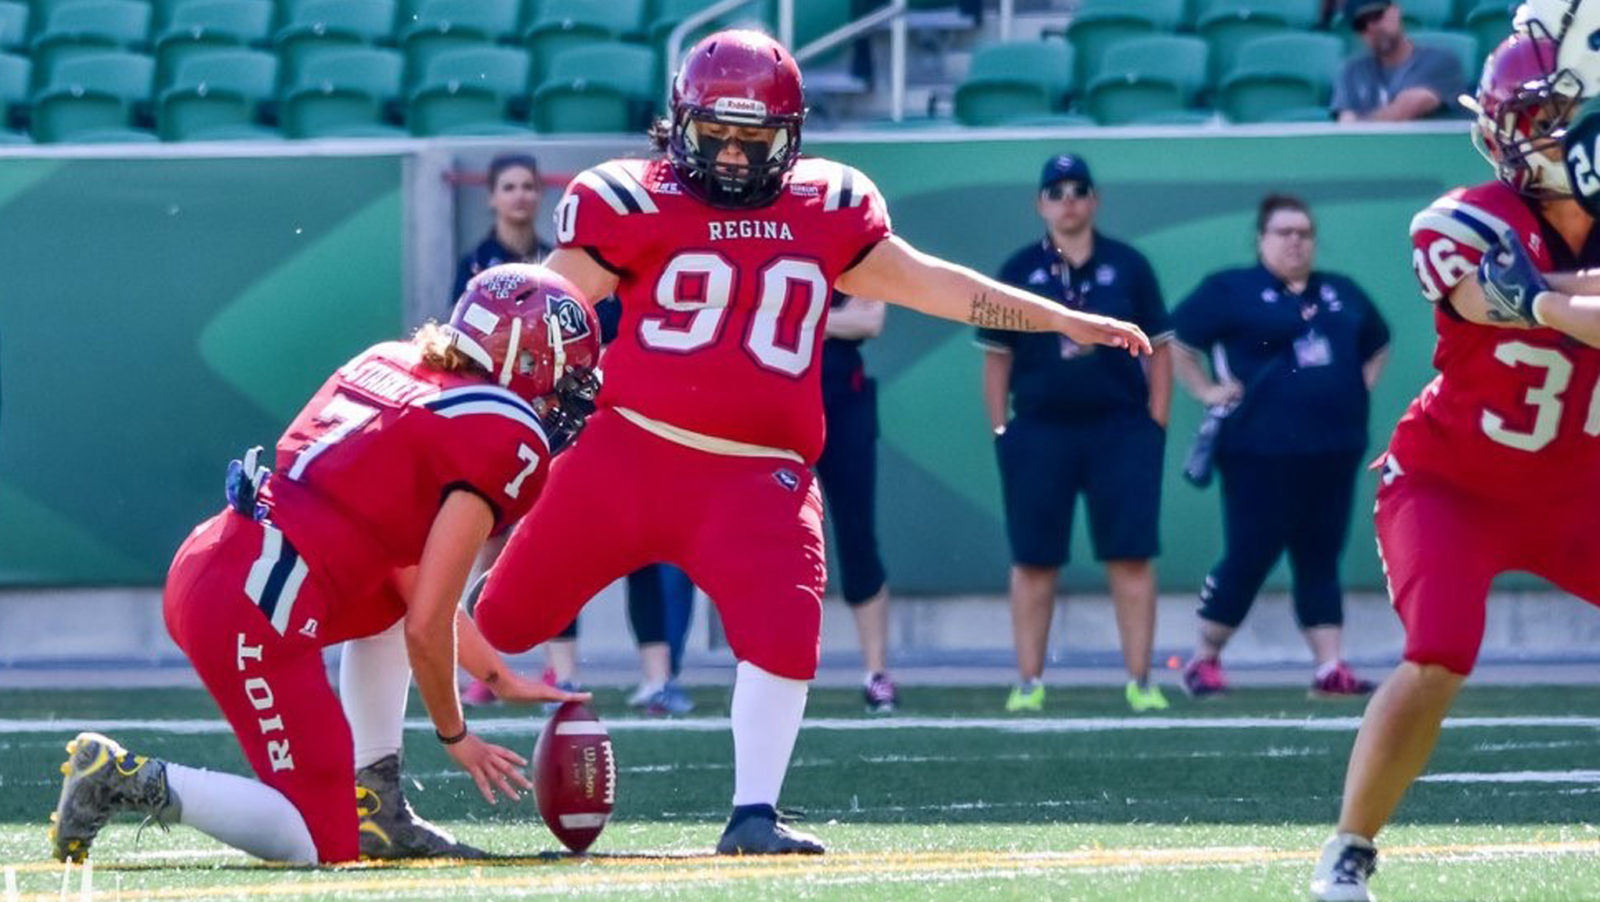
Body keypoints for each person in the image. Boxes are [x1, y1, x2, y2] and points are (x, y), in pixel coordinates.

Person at [472, 29, 1152, 856]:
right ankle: (383, 764)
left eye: (749, 138)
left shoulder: (827, 208)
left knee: (786, 636)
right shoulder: (632, 199)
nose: (727, 155)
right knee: (488, 625)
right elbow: (542, 306)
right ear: (679, 124)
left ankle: (753, 812)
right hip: (628, 453)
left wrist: (1059, 318)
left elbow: (939, 286)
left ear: (788, 138)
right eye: (712, 134)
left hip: (757, 477)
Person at [48, 264, 599, 866]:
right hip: (257, 606)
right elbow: (428, 624)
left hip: (230, 558)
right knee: (315, 844)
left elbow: (408, 587)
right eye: (563, 374)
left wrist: (495, 676)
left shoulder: (395, 359)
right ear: (523, 357)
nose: (563, 396)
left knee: (388, 601)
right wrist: (455, 734)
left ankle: (378, 806)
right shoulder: (505, 432)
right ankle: (124, 778)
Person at [1311, 32, 1600, 901]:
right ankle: (1349, 849)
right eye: (1553, 117)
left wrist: (1544, 298)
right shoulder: (1464, 218)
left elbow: (1547, 299)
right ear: (1512, 130)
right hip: (1453, 481)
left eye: (1574, 116)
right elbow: (1476, 291)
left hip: (1578, 490)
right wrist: (1553, 299)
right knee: (1440, 651)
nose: (1569, 133)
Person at [1171, 194, 1390, 700]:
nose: (1295, 241)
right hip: (1257, 451)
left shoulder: (1341, 291)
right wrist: (1206, 390)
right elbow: (1176, 342)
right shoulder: (1231, 289)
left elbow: (1377, 345)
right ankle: (1203, 659)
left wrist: (1352, 390)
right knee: (1250, 552)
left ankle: (1329, 666)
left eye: (1304, 233)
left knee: (1320, 555)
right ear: (1261, 239)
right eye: (1284, 232)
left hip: (1332, 451)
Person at [977, 153, 1173, 715]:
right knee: (1035, 560)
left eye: (1078, 190)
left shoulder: (1129, 266)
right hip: (1039, 430)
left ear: (1095, 199)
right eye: (1056, 191)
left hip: (1120, 428)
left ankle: (1140, 681)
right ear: (1040, 203)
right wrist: (1001, 429)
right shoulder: (1018, 270)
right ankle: (1029, 682)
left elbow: (1160, 347)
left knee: (1131, 556)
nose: (1068, 200)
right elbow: (996, 358)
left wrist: (1156, 422)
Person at [817, 291, 898, 714]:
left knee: (857, 534)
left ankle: (876, 672)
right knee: (763, 540)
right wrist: (833, 319)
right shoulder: (768, 233)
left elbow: (870, 320)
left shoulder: (850, 238)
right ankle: (760, 667)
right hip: (775, 396)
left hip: (843, 400)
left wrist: (804, 317)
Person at [1332, 0, 1467, 122]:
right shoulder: (1352, 71)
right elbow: (1345, 124)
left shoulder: (1441, 61)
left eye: (1376, 16)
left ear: (1396, 11)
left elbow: (1408, 107)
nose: (1372, 28)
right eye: (1361, 25)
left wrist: (1360, 120)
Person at [451, 154, 552, 304]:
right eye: (509, 188)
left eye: (528, 187)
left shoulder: (553, 260)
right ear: (491, 197)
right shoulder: (475, 264)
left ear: (540, 194)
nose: (520, 195)